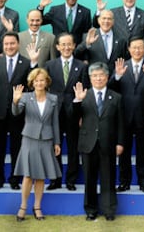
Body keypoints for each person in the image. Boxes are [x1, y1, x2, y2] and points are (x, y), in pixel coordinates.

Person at [0, 31, 39, 190]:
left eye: (12, 43)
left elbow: (33, 83)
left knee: (17, 148)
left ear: (18, 44)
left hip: (19, 112)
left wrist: (34, 63)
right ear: (3, 45)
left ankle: (15, 179)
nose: (9, 46)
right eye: (6, 44)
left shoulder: (27, 62)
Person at [72, 62, 124, 221]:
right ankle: (91, 210)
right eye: (94, 76)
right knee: (90, 179)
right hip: (88, 143)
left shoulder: (116, 97)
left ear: (107, 77)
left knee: (108, 178)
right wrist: (77, 101)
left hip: (108, 144)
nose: (98, 78)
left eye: (101, 75)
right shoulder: (84, 95)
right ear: (90, 77)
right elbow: (73, 118)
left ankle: (109, 210)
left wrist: (120, 143)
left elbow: (121, 123)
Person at [109, 36, 144, 193]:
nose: (137, 50)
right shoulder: (121, 66)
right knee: (124, 151)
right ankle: (124, 182)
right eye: (134, 47)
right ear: (129, 49)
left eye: (140, 47)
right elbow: (110, 90)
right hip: (123, 117)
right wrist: (117, 76)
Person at [12, 68, 62, 221]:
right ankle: (23, 206)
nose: (39, 83)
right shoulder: (26, 97)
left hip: (46, 139)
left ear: (46, 82)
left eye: (42, 80)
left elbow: (55, 123)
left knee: (40, 177)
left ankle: (37, 207)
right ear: (32, 83)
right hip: (29, 138)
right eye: (36, 80)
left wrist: (57, 142)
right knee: (28, 175)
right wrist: (15, 101)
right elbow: (16, 113)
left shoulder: (53, 99)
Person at [44, 32, 89, 191]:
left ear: (74, 46)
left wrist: (82, 114)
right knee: (54, 145)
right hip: (54, 111)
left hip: (74, 111)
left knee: (73, 146)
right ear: (57, 47)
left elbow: (84, 91)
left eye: (69, 44)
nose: (66, 47)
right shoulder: (50, 65)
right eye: (63, 44)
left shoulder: (82, 66)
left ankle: (71, 180)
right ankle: (55, 180)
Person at [75, 10, 128, 74]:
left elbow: (125, 58)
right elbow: (76, 54)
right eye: (104, 18)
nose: (106, 21)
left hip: (115, 78)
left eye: (109, 19)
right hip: (96, 78)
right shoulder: (89, 36)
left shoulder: (121, 38)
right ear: (98, 20)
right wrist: (87, 44)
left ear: (113, 21)